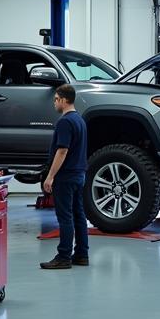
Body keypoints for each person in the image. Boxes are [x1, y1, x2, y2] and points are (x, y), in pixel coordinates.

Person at [40, 84, 90, 270]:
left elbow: (62, 151)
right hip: (79, 175)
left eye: (55, 99)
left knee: (65, 217)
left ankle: (63, 256)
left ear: (63, 99)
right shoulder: (80, 120)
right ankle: (82, 254)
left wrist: (50, 176)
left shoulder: (64, 122)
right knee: (79, 215)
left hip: (66, 176)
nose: (54, 103)